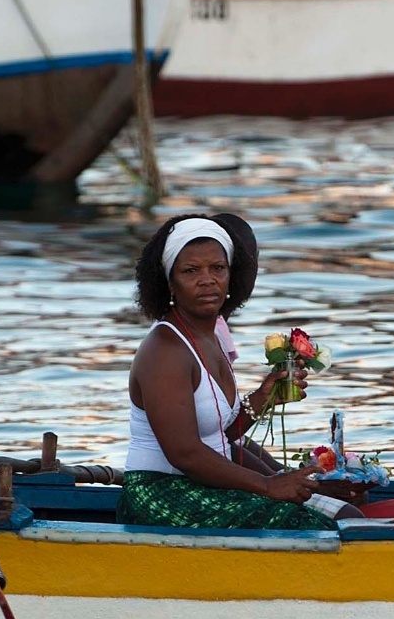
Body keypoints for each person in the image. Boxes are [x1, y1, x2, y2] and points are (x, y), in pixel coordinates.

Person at [120, 213, 361, 530]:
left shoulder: (212, 337)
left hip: (203, 482)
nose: (207, 280)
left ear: (231, 275)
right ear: (170, 283)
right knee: (315, 524)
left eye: (217, 269)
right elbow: (185, 454)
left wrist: (264, 396)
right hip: (162, 492)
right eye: (191, 271)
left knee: (347, 513)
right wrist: (270, 486)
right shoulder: (165, 349)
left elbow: (220, 435)